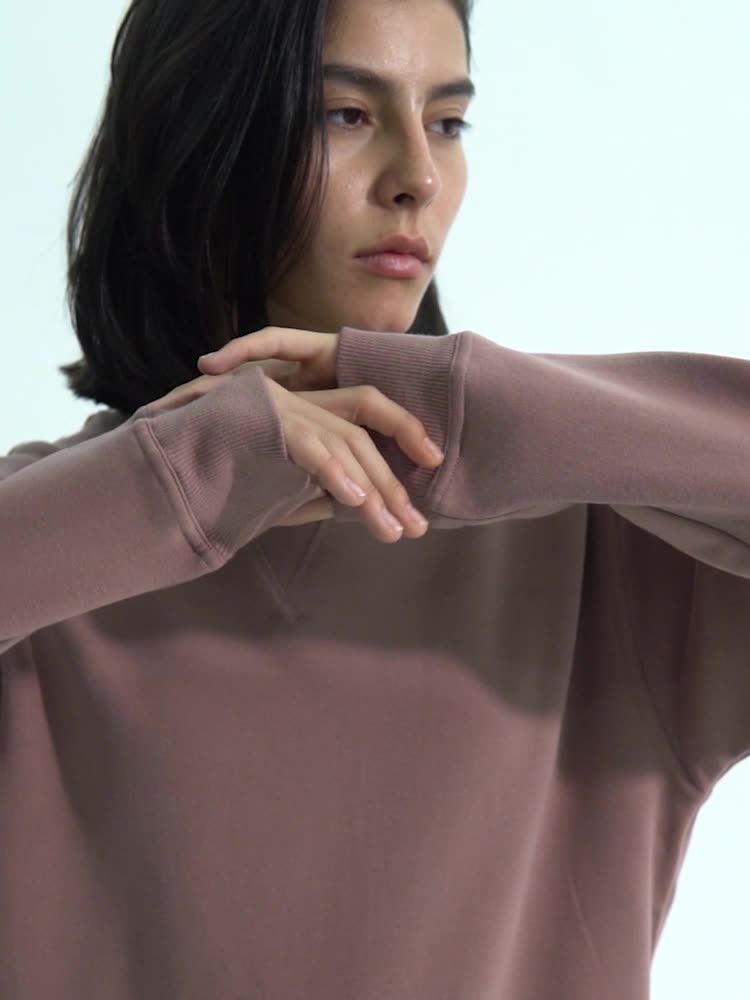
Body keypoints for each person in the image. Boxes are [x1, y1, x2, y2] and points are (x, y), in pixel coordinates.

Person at [1, 1, 749, 998]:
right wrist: (185, 472)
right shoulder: (46, 558)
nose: (419, 176)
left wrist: (464, 403)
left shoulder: (600, 559)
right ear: (201, 132)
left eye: (447, 121)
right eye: (346, 114)